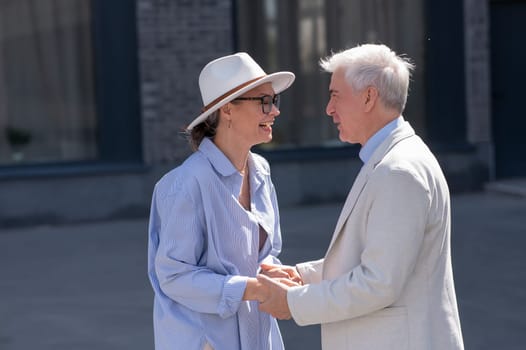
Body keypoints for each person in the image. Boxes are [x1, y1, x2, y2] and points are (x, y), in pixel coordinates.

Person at [257, 43, 465, 349]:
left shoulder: (399, 170)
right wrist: (304, 276)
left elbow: (379, 283)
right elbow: (374, 258)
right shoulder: (392, 159)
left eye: (335, 95)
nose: (329, 109)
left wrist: (293, 302)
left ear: (369, 97)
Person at [147, 52, 296, 349]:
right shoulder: (186, 183)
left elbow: (263, 253)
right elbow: (174, 276)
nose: (274, 111)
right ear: (228, 109)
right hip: (204, 340)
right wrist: (251, 288)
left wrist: (271, 271)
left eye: (274, 101)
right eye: (264, 102)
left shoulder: (261, 171)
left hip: (258, 334)